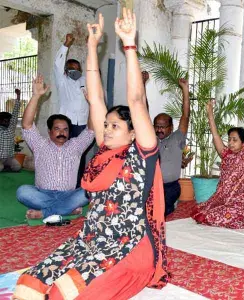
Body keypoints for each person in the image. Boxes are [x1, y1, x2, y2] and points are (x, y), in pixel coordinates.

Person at [13, 10, 168, 299]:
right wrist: (93, 45)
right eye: (105, 125)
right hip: (91, 239)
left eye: (115, 126)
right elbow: (94, 98)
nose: (107, 130)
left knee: (64, 294)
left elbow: (135, 101)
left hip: (128, 247)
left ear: (133, 132)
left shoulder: (141, 153)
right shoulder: (104, 152)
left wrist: (129, 45)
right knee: (28, 285)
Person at [16, 75, 93, 220]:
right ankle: (66, 208)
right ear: (49, 131)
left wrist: (92, 104)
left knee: (87, 192)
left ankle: (46, 212)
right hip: (42, 193)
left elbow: (91, 130)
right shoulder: (40, 144)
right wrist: (36, 96)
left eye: (65, 129)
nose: (62, 132)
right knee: (23, 191)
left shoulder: (76, 145)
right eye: (57, 129)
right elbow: (26, 125)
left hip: (69, 193)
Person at [191, 101, 244, 230]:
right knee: (207, 211)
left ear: (243, 142)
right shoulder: (226, 155)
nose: (230, 142)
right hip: (223, 198)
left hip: (242, 201)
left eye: (235, 140)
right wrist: (210, 113)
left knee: (225, 215)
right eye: (229, 139)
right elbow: (215, 135)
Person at [55, 32, 93, 188]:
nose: (75, 71)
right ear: (66, 70)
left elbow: (93, 70)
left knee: (80, 155)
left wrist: (91, 47)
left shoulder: (85, 80)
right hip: (67, 124)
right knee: (64, 153)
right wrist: (66, 44)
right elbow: (57, 65)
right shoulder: (62, 81)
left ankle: (77, 184)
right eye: (71, 68)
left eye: (77, 68)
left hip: (83, 124)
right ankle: (61, 182)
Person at [154, 78, 190, 216]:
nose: (159, 130)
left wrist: (185, 90)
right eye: (157, 126)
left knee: (160, 212)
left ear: (171, 128)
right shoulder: (150, 139)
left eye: (163, 127)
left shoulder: (177, 138)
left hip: (170, 187)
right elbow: (142, 112)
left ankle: (168, 207)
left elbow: (185, 116)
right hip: (152, 186)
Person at [0, 88, 22, 172]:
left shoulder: (11, 128)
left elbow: (15, 113)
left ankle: (5, 166)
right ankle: (3, 167)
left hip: (9, 158)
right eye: (3, 120)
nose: (6, 122)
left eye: (7, 120)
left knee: (17, 167)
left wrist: (18, 96)